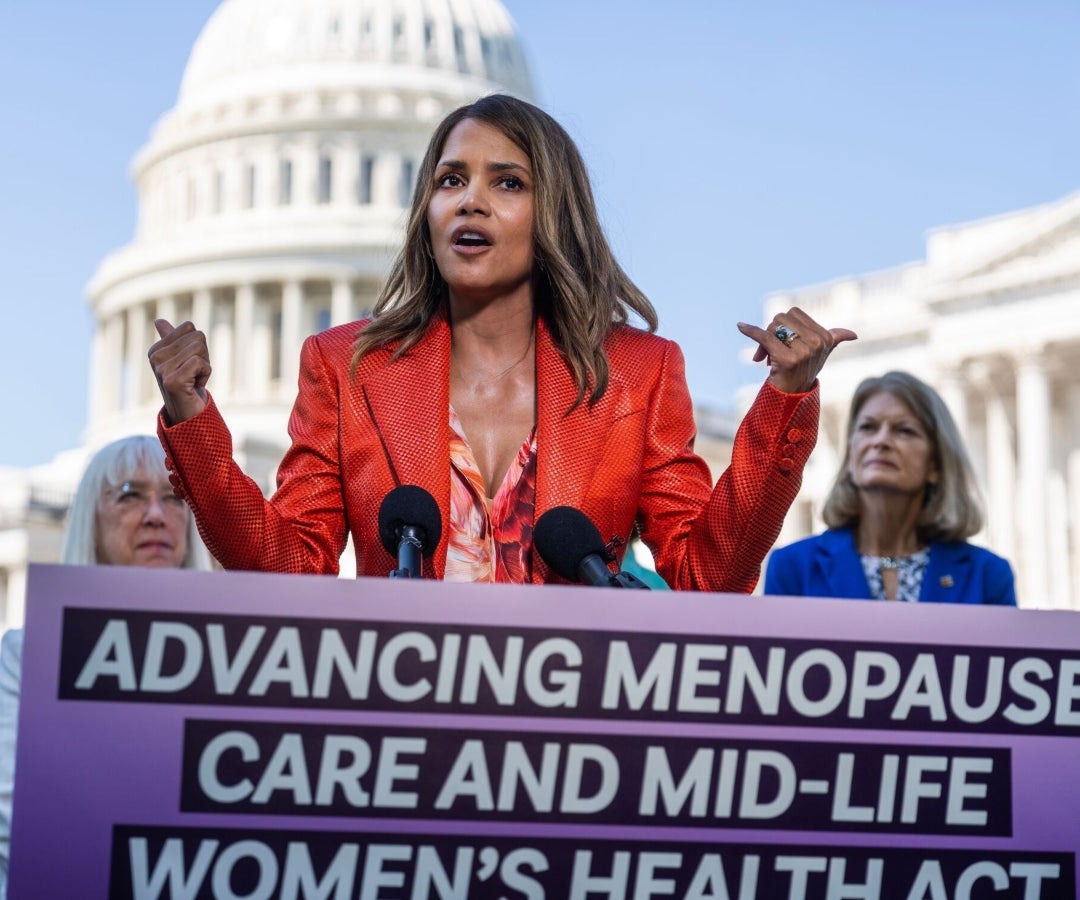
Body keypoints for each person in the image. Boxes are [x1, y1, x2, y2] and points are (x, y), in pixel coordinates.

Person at [149, 93, 855, 590]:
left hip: (571, 730)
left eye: (507, 182)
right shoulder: (347, 366)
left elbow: (706, 577)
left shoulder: (637, 372)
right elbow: (286, 573)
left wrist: (784, 401)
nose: (470, 200)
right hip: (399, 725)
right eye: (450, 180)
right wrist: (193, 420)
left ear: (555, 214)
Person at [0, 435, 212, 895]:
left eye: (175, 496)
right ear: (90, 521)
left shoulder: (229, 659)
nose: (156, 514)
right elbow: (13, 802)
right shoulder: (24, 656)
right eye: (130, 495)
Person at [764, 370, 1016, 604]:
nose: (881, 440)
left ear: (935, 465)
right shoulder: (792, 567)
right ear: (851, 455)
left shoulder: (988, 576)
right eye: (867, 427)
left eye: (904, 430)